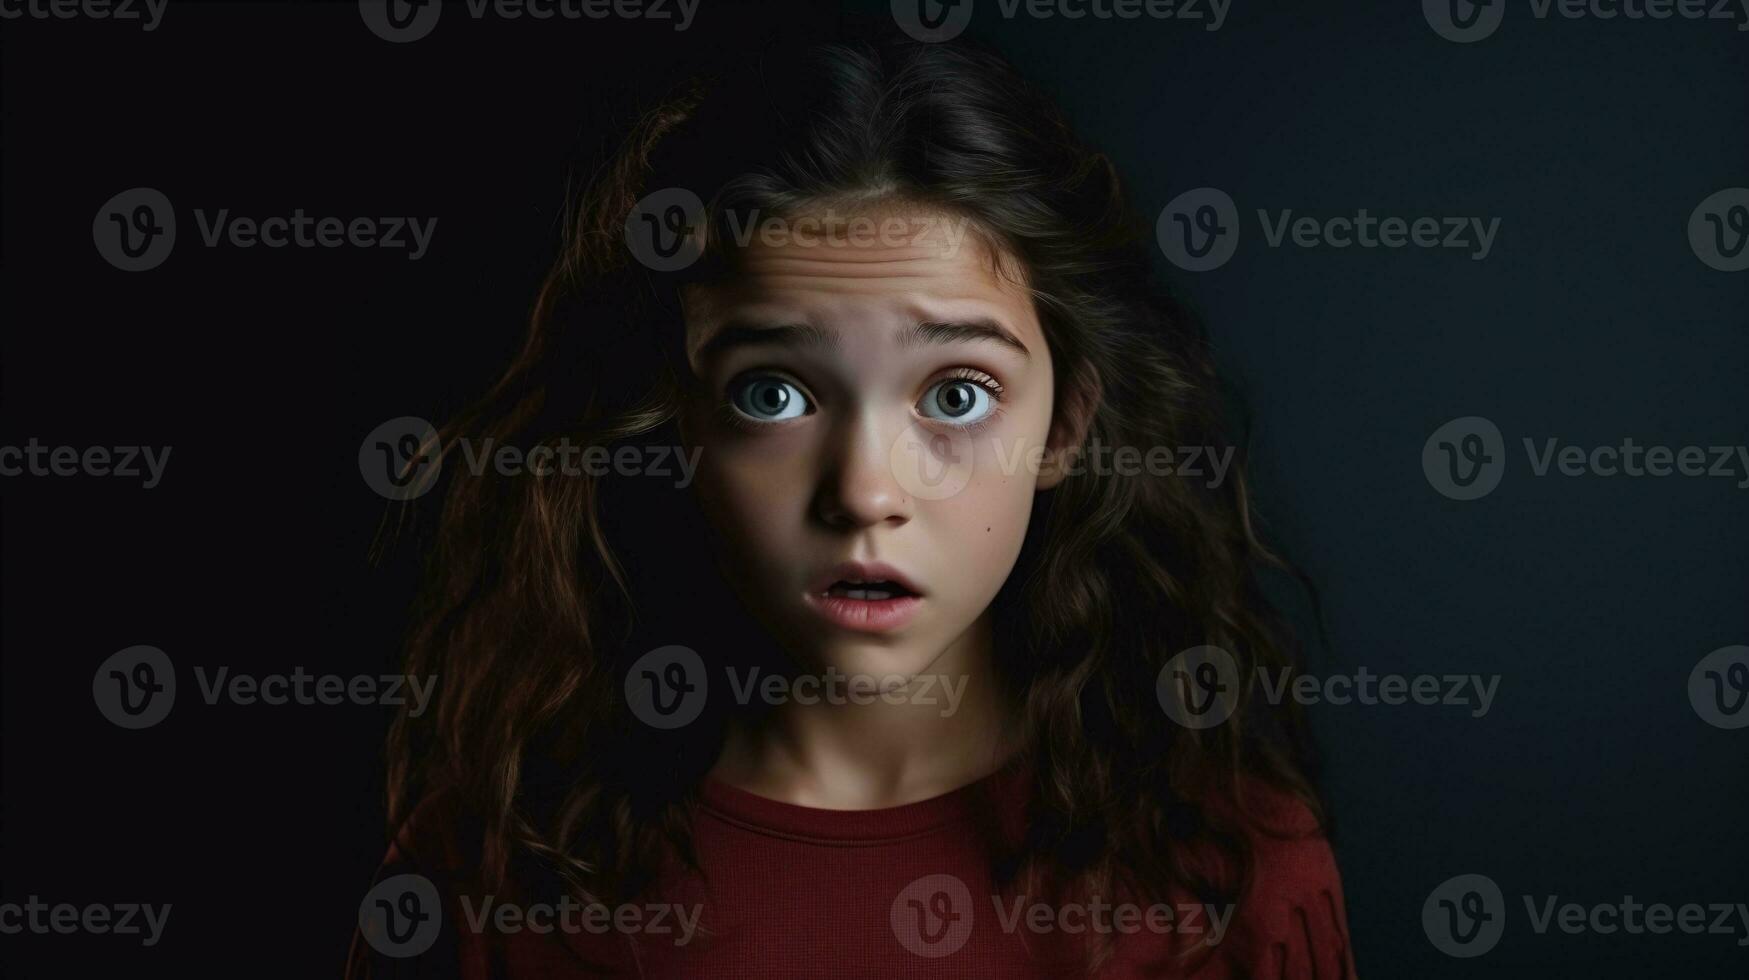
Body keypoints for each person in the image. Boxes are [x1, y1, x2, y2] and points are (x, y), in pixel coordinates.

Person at [350, 35, 1356, 979]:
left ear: (1064, 427)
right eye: (773, 393)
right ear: (677, 426)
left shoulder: (1229, 876)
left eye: (957, 395)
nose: (867, 493)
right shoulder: (496, 869)